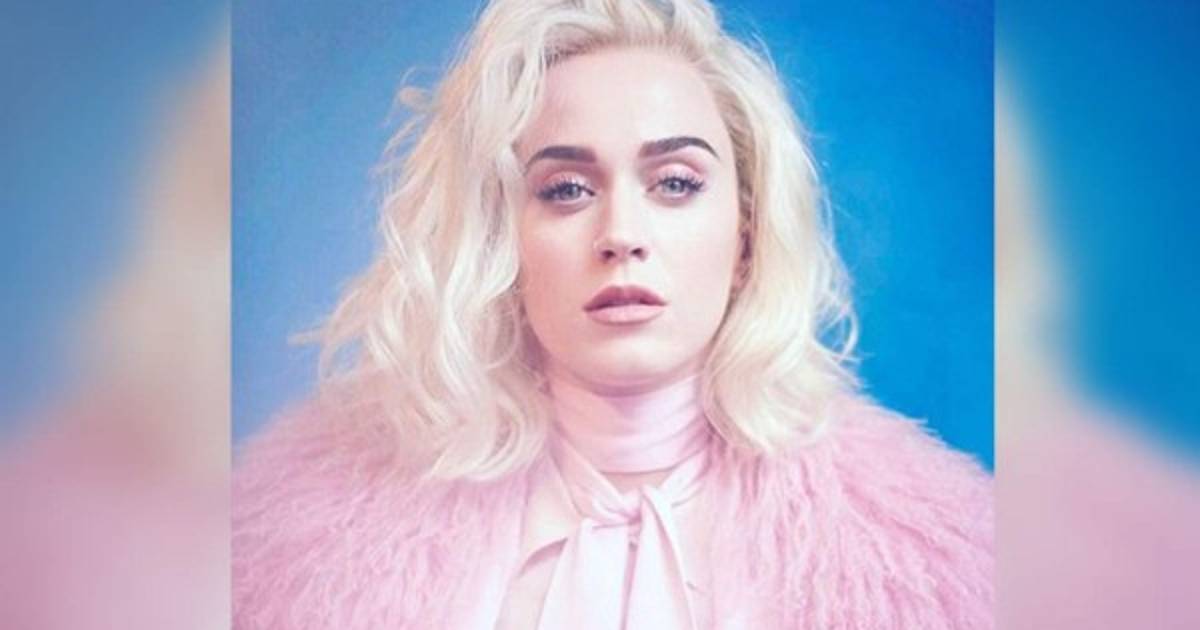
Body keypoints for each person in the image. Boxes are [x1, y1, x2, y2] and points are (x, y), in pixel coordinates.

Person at [233, 0, 992, 628]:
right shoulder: (285, 550)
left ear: (747, 232)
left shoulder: (942, 563)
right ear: (499, 238)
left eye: (675, 182)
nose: (621, 234)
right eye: (566, 189)